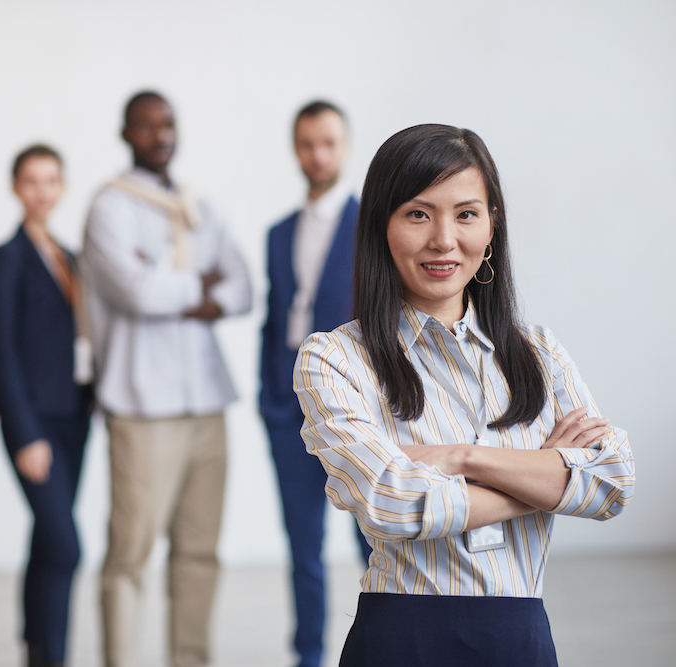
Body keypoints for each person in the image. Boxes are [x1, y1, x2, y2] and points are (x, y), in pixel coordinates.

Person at [293, 124, 635, 666]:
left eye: (467, 214)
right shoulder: (335, 358)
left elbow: (613, 481)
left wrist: (462, 457)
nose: (444, 240)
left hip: (522, 643)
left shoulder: (539, 352)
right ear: (381, 225)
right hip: (402, 642)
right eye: (418, 214)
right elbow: (392, 501)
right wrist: (546, 476)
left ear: (492, 226)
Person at [81, 91, 253, 667]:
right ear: (126, 133)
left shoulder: (196, 205)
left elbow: (242, 288)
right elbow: (134, 293)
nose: (161, 135)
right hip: (142, 406)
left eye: (168, 124)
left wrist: (168, 280)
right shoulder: (108, 206)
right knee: (130, 554)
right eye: (147, 126)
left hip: (207, 401)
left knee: (199, 552)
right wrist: (197, 285)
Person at [259, 100, 371, 667]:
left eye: (328, 142)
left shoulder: (369, 228)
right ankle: (308, 656)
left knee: (372, 543)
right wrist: (267, 397)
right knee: (303, 549)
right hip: (287, 412)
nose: (317, 154)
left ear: (345, 146)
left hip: (353, 413)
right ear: (295, 148)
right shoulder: (279, 233)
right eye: (307, 143)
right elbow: (274, 318)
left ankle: (381, 646)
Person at [0, 144, 94, 667]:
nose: (42, 191)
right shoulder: (4, 260)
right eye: (31, 181)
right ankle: (52, 653)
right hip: (35, 422)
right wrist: (24, 433)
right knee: (67, 546)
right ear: (15, 187)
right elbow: (0, 353)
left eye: (51, 180)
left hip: (74, 417)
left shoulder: (70, 257)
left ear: (63, 187)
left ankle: (36, 646)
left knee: (49, 540)